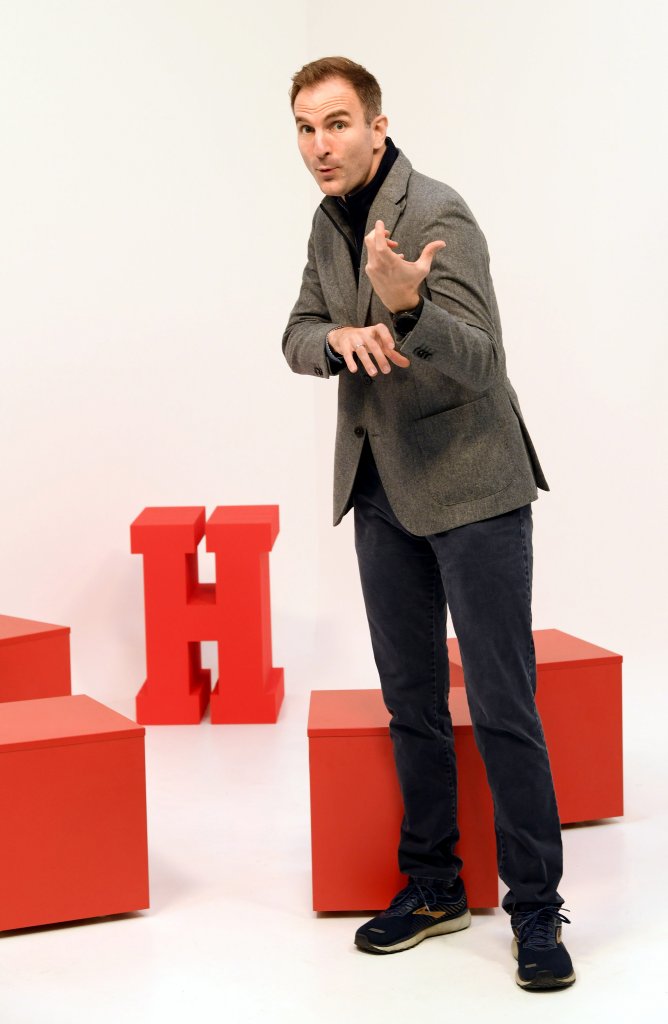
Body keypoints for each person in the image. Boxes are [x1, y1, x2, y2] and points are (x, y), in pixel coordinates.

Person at [282, 56, 575, 991]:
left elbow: (483, 361)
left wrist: (409, 307)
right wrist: (335, 339)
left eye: (336, 124)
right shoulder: (327, 223)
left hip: (472, 488)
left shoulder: (439, 211)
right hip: (381, 489)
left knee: (501, 705)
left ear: (377, 126)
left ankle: (536, 908)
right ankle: (436, 887)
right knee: (411, 703)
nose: (319, 146)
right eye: (304, 128)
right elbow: (296, 332)